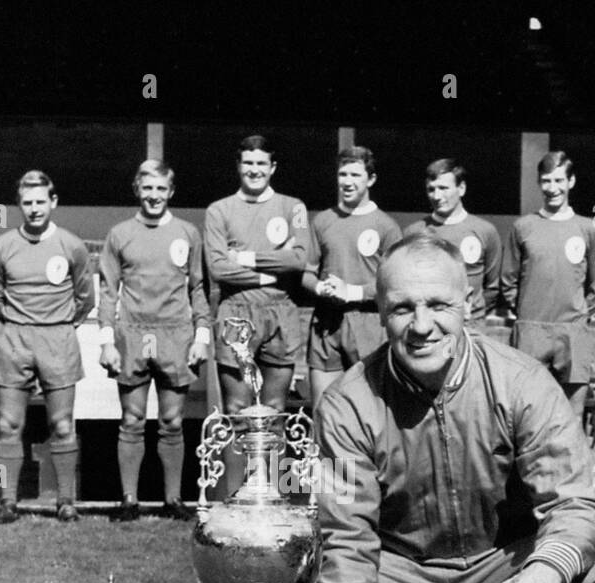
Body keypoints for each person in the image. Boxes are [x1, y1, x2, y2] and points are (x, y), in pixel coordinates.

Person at [284, 234, 595, 583]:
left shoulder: (521, 382)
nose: (421, 325)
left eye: (438, 305)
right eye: (401, 308)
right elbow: (344, 537)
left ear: (468, 305)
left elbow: (574, 502)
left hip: (503, 561)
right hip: (403, 569)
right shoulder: (347, 403)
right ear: (379, 312)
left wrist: (547, 567)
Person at [97, 161, 211, 522]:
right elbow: (108, 291)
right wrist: (106, 342)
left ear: (171, 192)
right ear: (137, 189)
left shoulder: (188, 233)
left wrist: (202, 336)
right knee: (131, 418)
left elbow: (198, 288)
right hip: (133, 331)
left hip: (175, 333)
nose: (154, 196)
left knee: (173, 420)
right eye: (148, 188)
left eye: (161, 189)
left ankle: (173, 499)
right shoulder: (119, 234)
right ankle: (129, 499)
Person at [0, 170, 93, 524]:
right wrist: (21, 323)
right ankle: (5, 497)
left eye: (40, 202)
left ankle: (65, 500)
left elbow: (84, 298)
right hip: (15, 338)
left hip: (57, 339)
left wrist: (60, 326)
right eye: (27, 203)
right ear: (19, 205)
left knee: (62, 425)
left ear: (53, 202)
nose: (34, 209)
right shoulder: (2, 246)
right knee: (7, 425)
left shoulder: (71, 245)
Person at [203, 135, 312, 415]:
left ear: (273, 167)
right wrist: (271, 272)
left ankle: (271, 463)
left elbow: (300, 258)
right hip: (236, 312)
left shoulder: (294, 207)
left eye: (261, 163)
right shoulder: (219, 210)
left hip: (281, 311)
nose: (255, 169)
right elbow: (217, 267)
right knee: (237, 408)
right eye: (248, 162)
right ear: (238, 166)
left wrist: (242, 257)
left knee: (275, 408)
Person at [501, 150, 595, 422]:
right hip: (531, 330)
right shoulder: (523, 227)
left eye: (559, 181)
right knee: (527, 413)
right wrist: (526, 312)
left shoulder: (588, 228)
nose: (552, 189)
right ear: (539, 183)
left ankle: (572, 466)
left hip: (572, 331)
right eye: (546, 181)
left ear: (571, 182)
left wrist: (581, 316)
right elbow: (509, 280)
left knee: (571, 417)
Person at [302, 146, 402, 406]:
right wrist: (321, 288)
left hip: (368, 324)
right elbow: (307, 274)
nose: (347, 182)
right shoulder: (323, 221)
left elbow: (395, 284)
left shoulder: (386, 226)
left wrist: (353, 292)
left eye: (355, 175)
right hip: (327, 324)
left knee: (370, 409)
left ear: (371, 179)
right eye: (343, 174)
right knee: (324, 409)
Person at [403, 158, 501, 329]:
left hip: (472, 324)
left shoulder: (485, 231)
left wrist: (473, 311)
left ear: (461, 188)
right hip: (428, 324)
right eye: (431, 189)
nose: (437, 196)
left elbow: (492, 287)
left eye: (443, 188)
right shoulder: (414, 232)